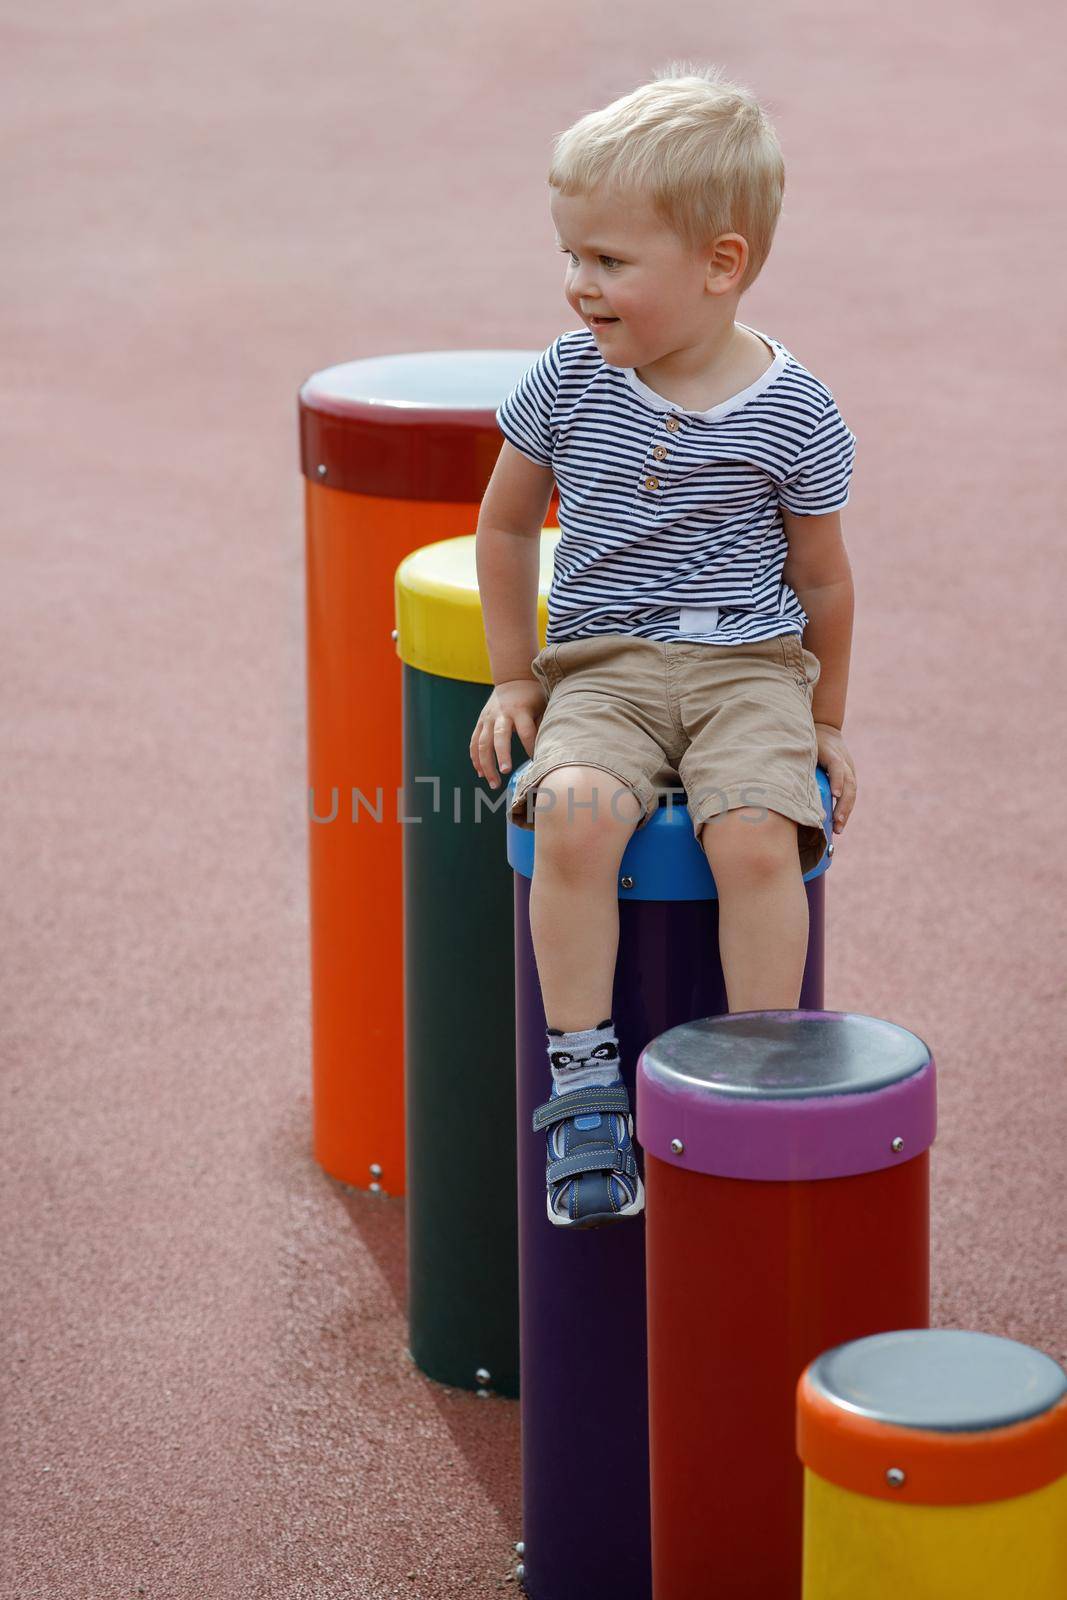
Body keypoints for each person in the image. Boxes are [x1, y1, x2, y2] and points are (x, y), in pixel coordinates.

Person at [470, 62, 858, 1230]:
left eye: (607, 262)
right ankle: (583, 1082)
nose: (578, 286)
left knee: (752, 834)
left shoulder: (794, 412)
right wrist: (508, 673)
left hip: (748, 672)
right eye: (571, 256)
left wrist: (826, 721)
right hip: (604, 669)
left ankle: (759, 1072)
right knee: (576, 810)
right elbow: (500, 524)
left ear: (719, 265)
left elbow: (823, 580)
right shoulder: (567, 377)